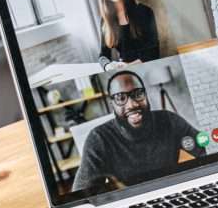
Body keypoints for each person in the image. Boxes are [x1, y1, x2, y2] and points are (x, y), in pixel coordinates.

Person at [72, 71, 205, 193]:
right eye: (120, 97)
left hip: (171, 192)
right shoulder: (99, 138)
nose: (132, 104)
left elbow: (206, 148)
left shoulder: (169, 120)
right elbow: (81, 194)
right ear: (112, 103)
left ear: (145, 95)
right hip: (131, 199)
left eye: (138, 94)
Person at [94, 0, 160, 71]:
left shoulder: (144, 11)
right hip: (125, 72)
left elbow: (153, 53)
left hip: (149, 70)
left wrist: (129, 66)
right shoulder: (105, 21)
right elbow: (103, 56)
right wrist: (108, 66)